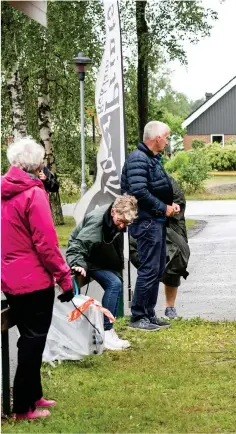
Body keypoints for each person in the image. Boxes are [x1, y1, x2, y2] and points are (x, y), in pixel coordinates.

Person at [1, 137, 74, 420]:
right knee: (33, 340)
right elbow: (46, 243)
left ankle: (33, 394)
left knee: (28, 338)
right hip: (33, 279)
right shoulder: (33, 193)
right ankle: (22, 408)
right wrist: (65, 278)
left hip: (10, 277)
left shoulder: (5, 190)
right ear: (37, 164)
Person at [121, 121, 178, 331]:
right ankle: (138, 316)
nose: (167, 140)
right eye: (166, 136)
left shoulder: (151, 158)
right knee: (148, 269)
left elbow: (156, 187)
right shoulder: (138, 158)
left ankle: (149, 313)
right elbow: (139, 192)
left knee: (157, 268)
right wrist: (164, 208)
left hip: (156, 220)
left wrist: (169, 206)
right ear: (156, 138)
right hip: (146, 222)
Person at [66, 195, 138, 350]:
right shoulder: (97, 222)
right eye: (121, 221)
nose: (122, 226)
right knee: (114, 283)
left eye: (126, 223)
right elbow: (78, 244)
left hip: (99, 255)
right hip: (87, 256)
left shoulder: (118, 219)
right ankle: (106, 331)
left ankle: (108, 330)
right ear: (113, 212)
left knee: (116, 282)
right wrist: (78, 263)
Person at [129, 174, 190, 320]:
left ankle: (169, 307)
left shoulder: (166, 181)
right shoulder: (138, 182)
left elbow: (178, 201)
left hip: (171, 226)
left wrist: (167, 209)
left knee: (176, 261)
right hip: (145, 227)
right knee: (148, 267)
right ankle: (144, 312)